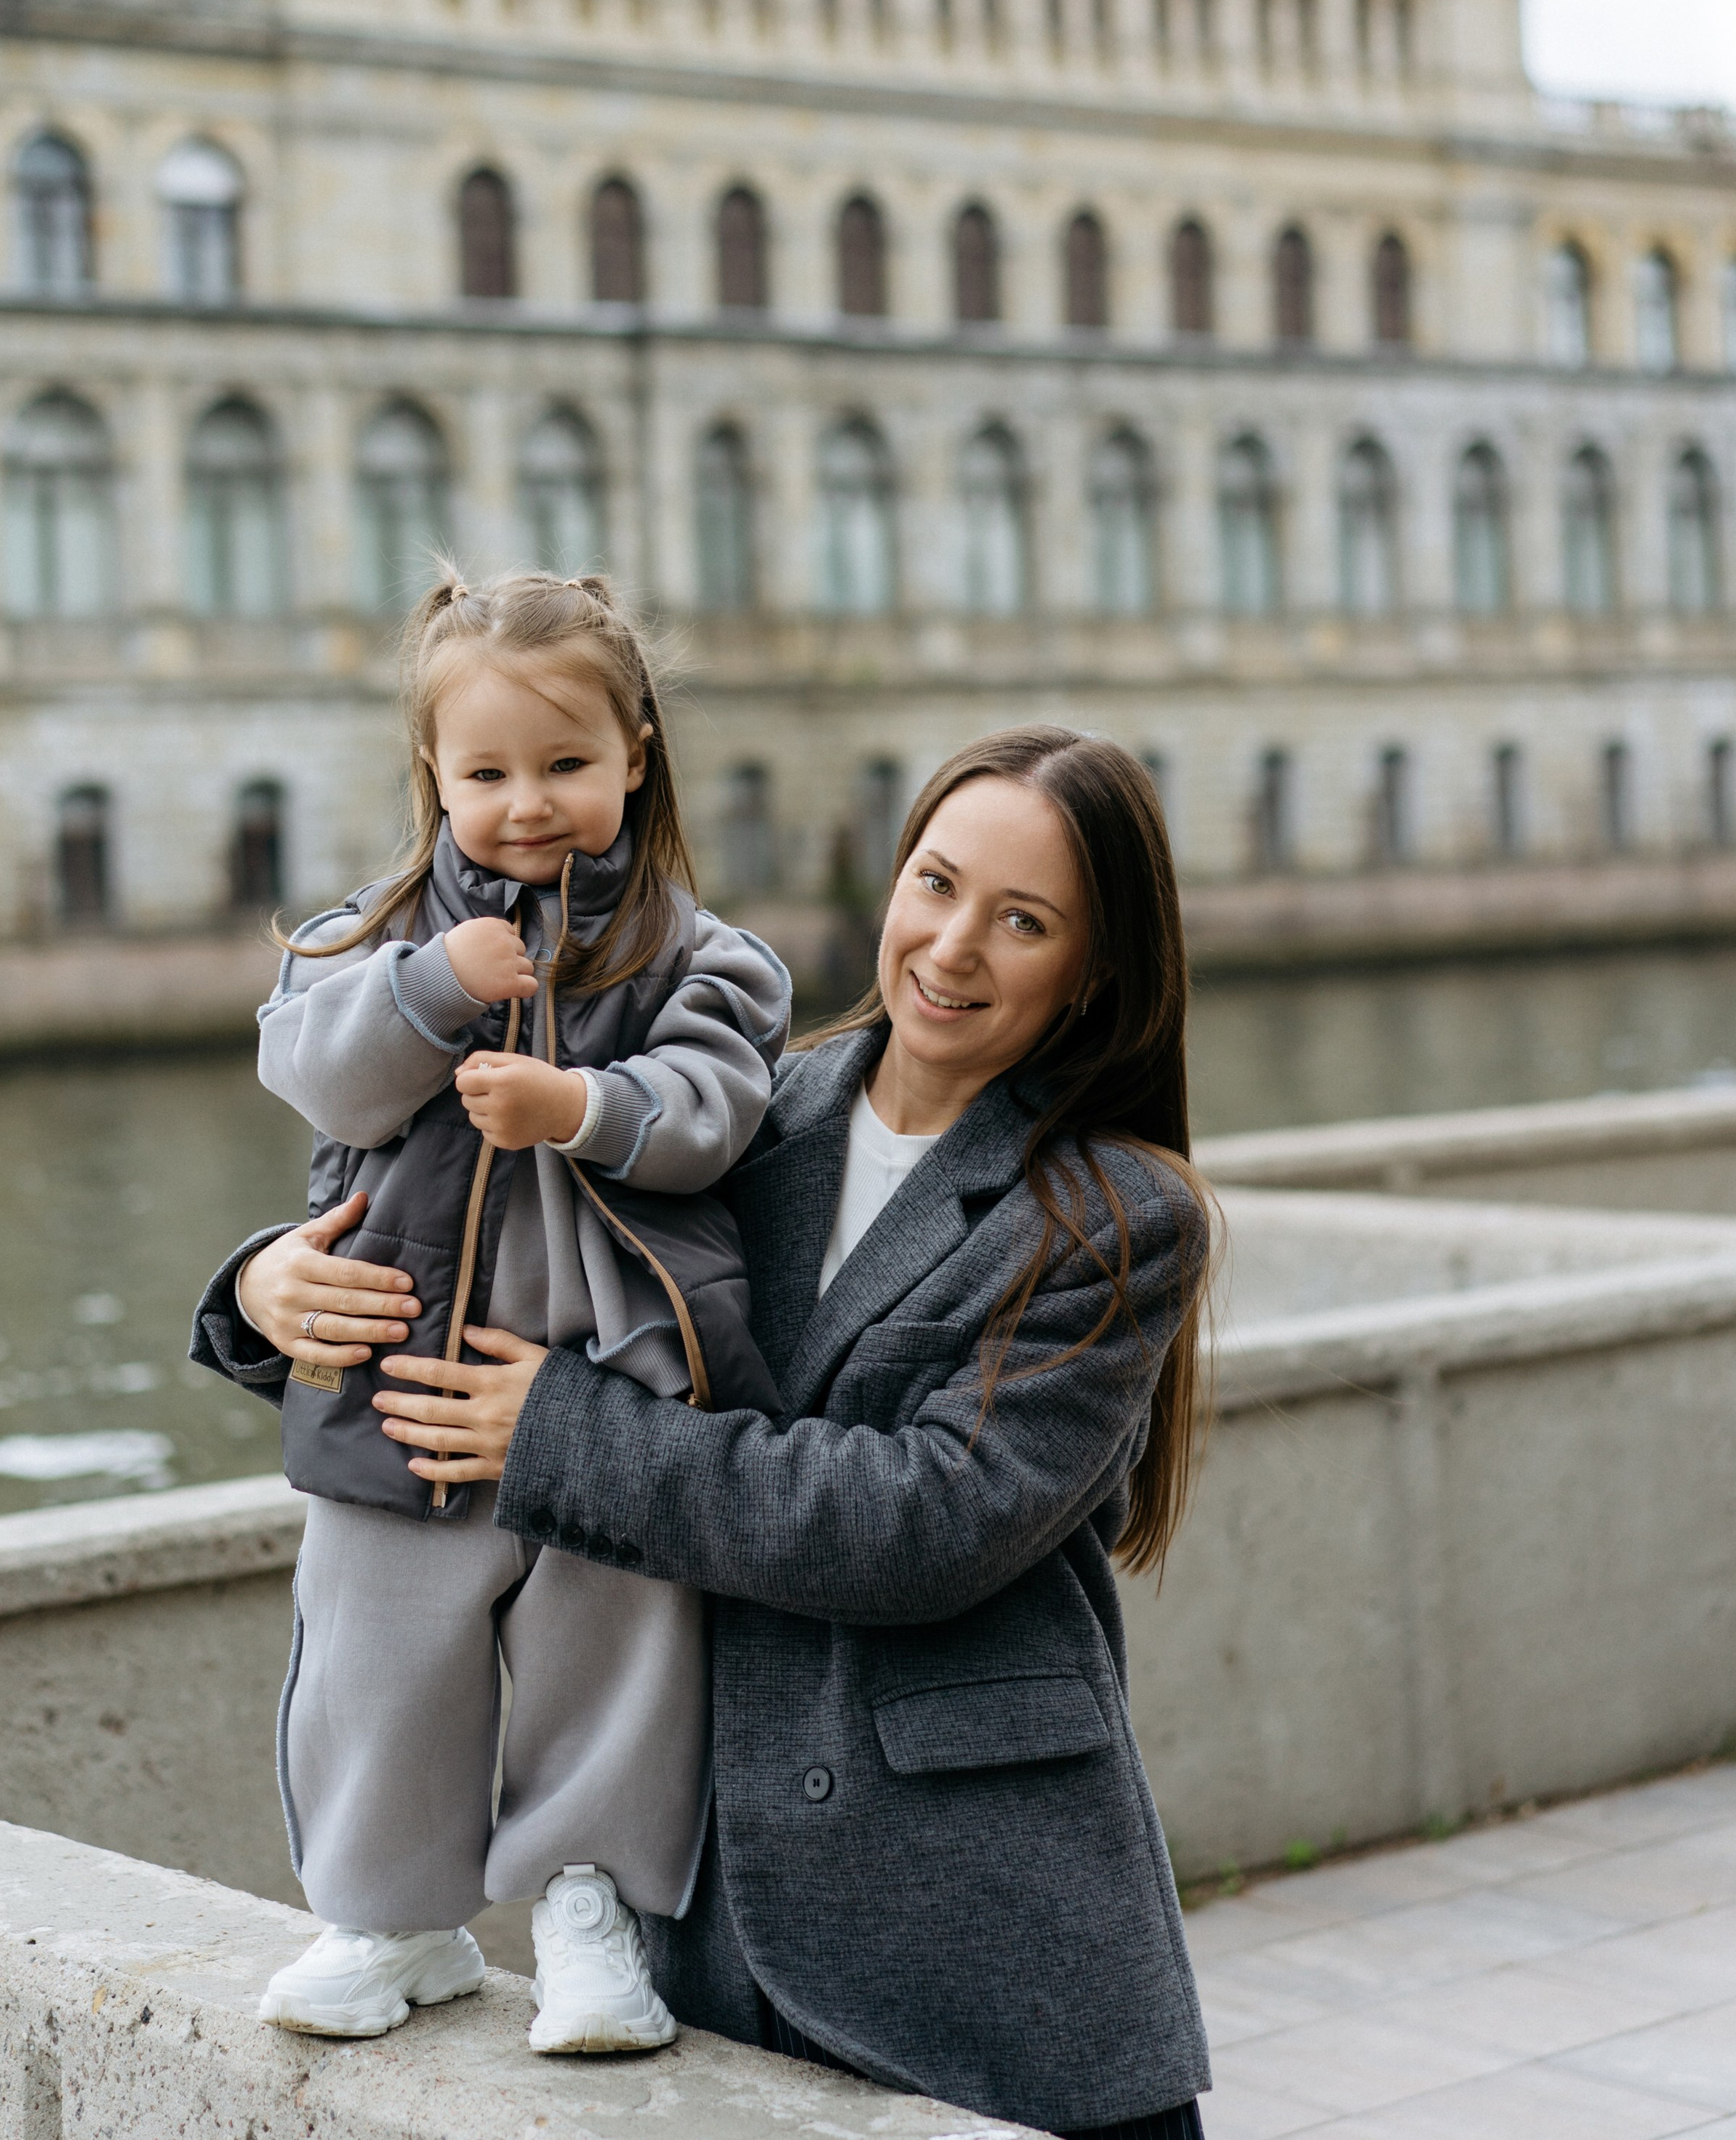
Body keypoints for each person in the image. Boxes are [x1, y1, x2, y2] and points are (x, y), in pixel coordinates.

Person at [198, 720, 1215, 2135]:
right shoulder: (750, 1111)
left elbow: (922, 1523)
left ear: (1093, 970)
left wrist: (559, 1438)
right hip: (715, 1934)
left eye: (1022, 920)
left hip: (983, 1938)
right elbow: (511, 1251)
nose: (951, 946)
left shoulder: (1110, 1213)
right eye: (932, 883)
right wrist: (265, 1289)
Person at [189, 570, 790, 2053]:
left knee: (614, 1653)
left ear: (636, 754)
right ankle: (393, 1919)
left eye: (568, 765)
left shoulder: (693, 952)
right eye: (488, 773)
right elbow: (315, 1074)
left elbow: (716, 1112)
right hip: (399, 1373)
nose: (530, 803)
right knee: (377, 1649)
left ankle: (590, 1909)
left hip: (611, 1381)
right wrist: (431, 990)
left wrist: (578, 1102)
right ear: (433, 776)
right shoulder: (364, 939)